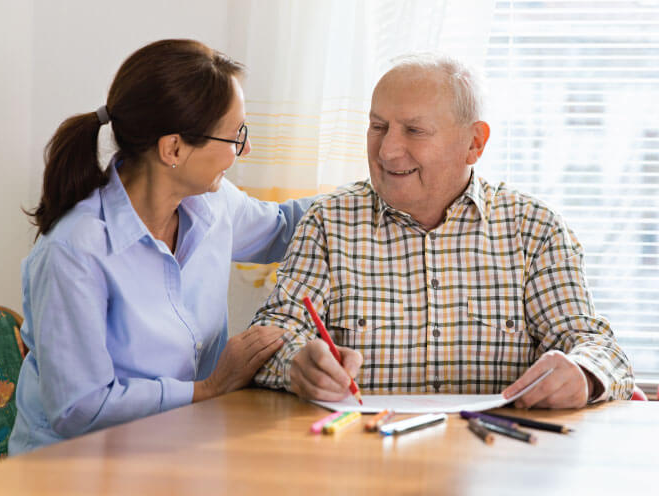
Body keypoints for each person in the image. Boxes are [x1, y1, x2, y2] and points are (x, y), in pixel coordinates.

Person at [252, 54, 634, 409]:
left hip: (495, 460)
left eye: (414, 131)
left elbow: (599, 348)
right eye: (378, 127)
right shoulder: (327, 222)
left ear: (474, 143)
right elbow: (270, 340)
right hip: (360, 457)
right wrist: (296, 365)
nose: (387, 151)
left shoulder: (534, 230)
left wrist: (583, 374)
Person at [9, 39, 313, 454]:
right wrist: (209, 388)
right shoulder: (75, 250)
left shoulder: (212, 203)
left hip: (176, 451)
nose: (242, 149)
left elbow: (286, 228)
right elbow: (80, 407)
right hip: (73, 470)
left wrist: (376, 187)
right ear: (173, 148)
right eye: (233, 136)